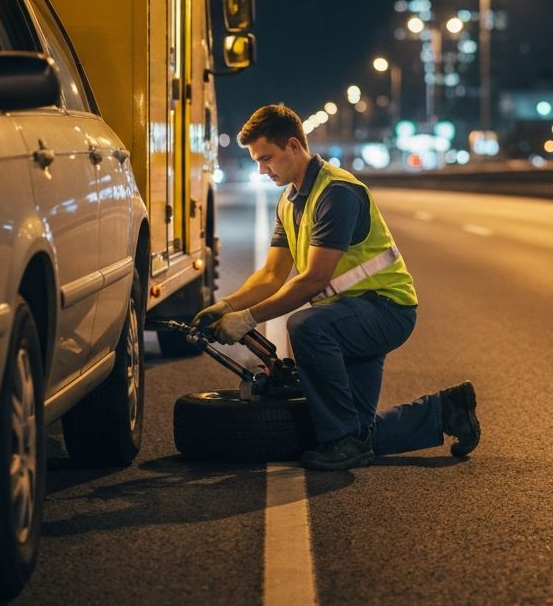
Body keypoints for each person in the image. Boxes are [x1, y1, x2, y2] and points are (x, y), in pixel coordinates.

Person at [192, 103, 480, 471]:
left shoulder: (336, 192)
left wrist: (248, 319)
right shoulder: (290, 200)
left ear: (293, 146)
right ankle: (448, 410)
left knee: (306, 326)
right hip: (348, 315)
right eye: (257, 161)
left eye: (266, 158)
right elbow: (271, 275)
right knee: (359, 431)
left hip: (385, 310)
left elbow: (314, 279)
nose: (262, 169)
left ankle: (341, 441)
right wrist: (227, 307)